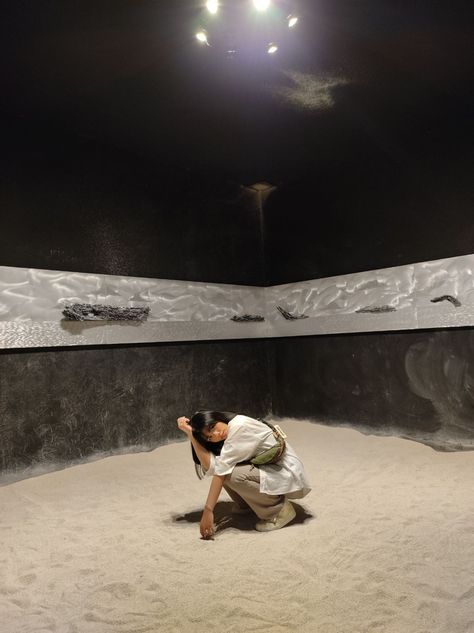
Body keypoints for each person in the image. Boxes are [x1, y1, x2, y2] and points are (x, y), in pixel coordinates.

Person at [176, 411, 311, 539]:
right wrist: (191, 434)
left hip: (284, 469)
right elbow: (211, 466)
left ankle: (279, 511)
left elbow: (219, 471)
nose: (217, 434)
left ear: (218, 417)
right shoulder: (230, 431)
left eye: (213, 427)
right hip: (270, 467)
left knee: (231, 475)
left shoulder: (239, 426)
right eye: (210, 437)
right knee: (225, 470)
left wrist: (208, 510)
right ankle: (248, 504)